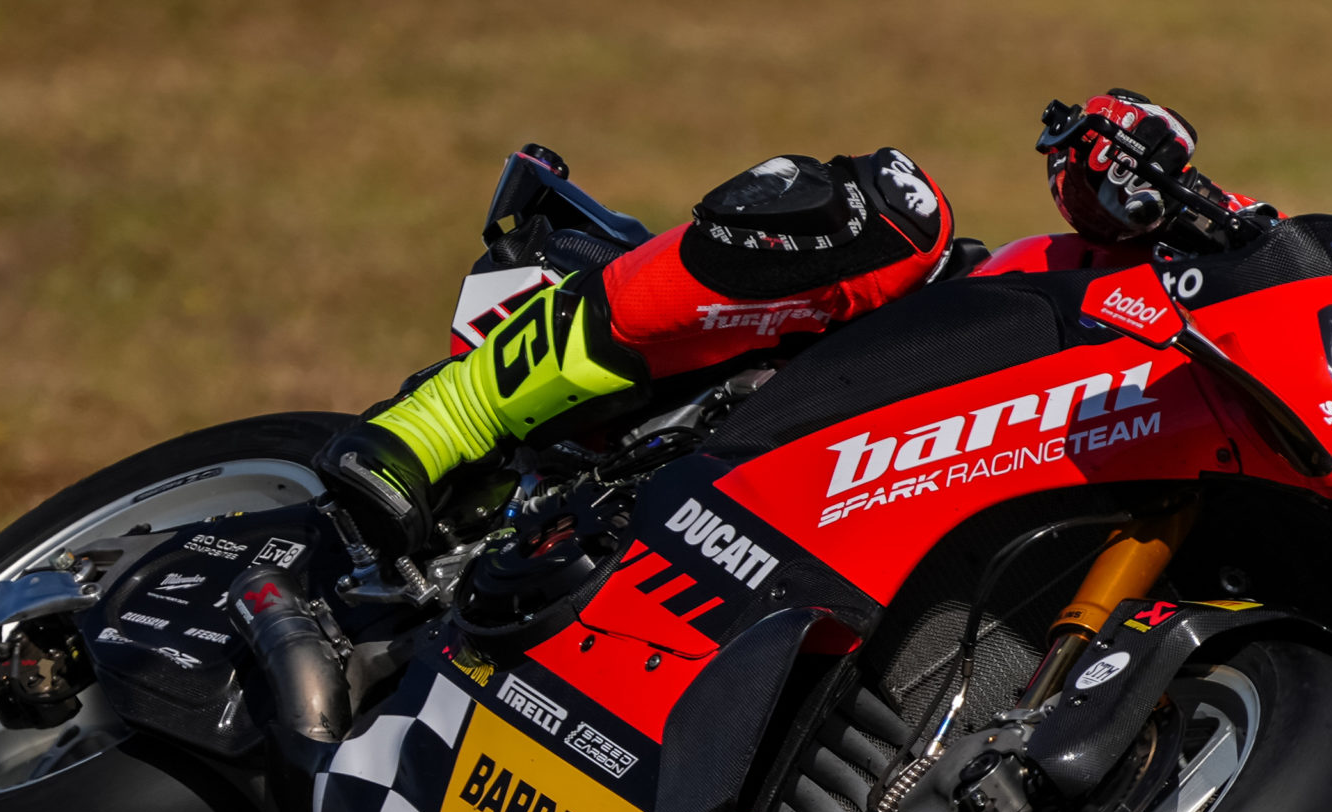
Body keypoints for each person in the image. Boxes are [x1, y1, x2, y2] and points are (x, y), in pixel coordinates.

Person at [313, 88, 1261, 556]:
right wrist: (1163, 180)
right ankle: (441, 420)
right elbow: (1113, 150)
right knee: (899, 212)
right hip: (874, 369)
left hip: (911, 540)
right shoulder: (1191, 263)